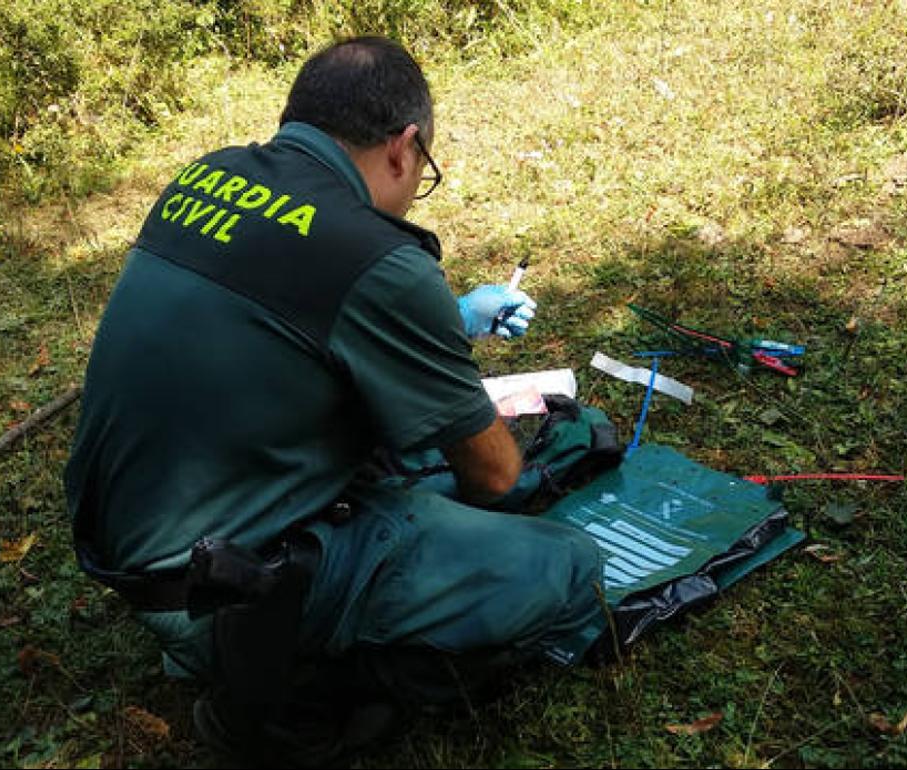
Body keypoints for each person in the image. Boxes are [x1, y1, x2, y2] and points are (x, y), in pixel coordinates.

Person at [64, 35, 604, 766]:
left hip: (132, 548)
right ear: (402, 147)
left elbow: (288, 331)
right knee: (565, 568)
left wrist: (450, 321)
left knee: (409, 458)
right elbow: (494, 478)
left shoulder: (208, 175)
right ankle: (293, 698)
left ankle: (247, 645)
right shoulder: (379, 258)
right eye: (424, 170)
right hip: (231, 589)